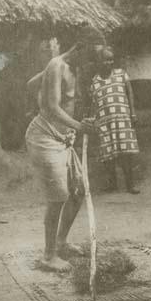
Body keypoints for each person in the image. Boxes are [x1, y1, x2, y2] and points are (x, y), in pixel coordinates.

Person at [25, 27, 104, 272]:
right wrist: (80, 127)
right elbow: (52, 107)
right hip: (45, 138)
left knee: (78, 191)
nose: (91, 61)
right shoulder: (57, 65)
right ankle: (48, 257)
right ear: (79, 48)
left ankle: (60, 243)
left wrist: (80, 124)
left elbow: (31, 85)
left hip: (63, 138)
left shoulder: (67, 67)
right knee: (58, 197)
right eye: (90, 55)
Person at [90, 46, 140, 194]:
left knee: (126, 152)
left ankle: (130, 185)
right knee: (108, 154)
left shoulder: (121, 74)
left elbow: (129, 93)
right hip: (105, 122)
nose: (109, 62)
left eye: (111, 59)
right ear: (99, 61)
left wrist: (133, 113)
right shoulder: (95, 82)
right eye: (105, 59)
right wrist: (95, 121)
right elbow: (94, 103)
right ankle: (113, 184)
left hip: (122, 119)